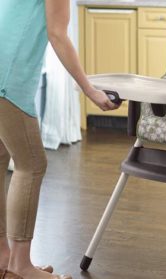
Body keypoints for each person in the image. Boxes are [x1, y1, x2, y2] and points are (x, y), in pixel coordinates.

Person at [0, 0, 119, 278]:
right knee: (31, 164)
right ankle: (21, 266)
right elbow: (57, 34)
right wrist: (89, 90)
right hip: (9, 77)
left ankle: (4, 258)